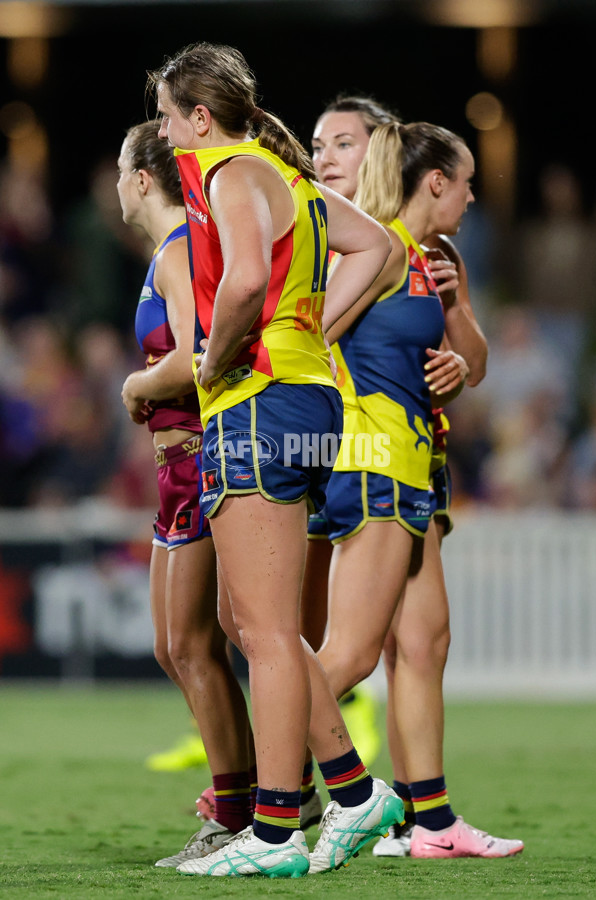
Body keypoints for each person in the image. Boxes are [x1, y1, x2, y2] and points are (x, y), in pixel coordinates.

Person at [146, 42, 404, 879]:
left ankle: (275, 834)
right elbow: (378, 251)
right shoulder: (287, 176)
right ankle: (360, 797)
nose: (162, 129)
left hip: (258, 405)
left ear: (199, 115)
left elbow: (248, 281)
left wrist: (219, 361)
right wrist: (308, 339)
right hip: (301, 402)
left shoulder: (231, 173)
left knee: (261, 633)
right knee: (254, 627)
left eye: (166, 112)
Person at [310, 98, 523, 859]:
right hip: (371, 466)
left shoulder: (427, 257)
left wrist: (457, 349)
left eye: (343, 143)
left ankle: (429, 822)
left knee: (426, 642)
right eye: (467, 184)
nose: (474, 198)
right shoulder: (368, 249)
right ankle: (258, 795)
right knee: (345, 656)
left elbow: (470, 363)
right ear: (434, 180)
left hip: (414, 470)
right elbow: (310, 338)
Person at [117, 120, 258, 866]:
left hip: (202, 459)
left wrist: (137, 384)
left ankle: (243, 810)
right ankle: (249, 798)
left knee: (196, 644)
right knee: (180, 646)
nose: (114, 187)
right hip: (180, 469)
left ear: (142, 180)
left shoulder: (177, 252)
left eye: (118, 172)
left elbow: (197, 351)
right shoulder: (166, 255)